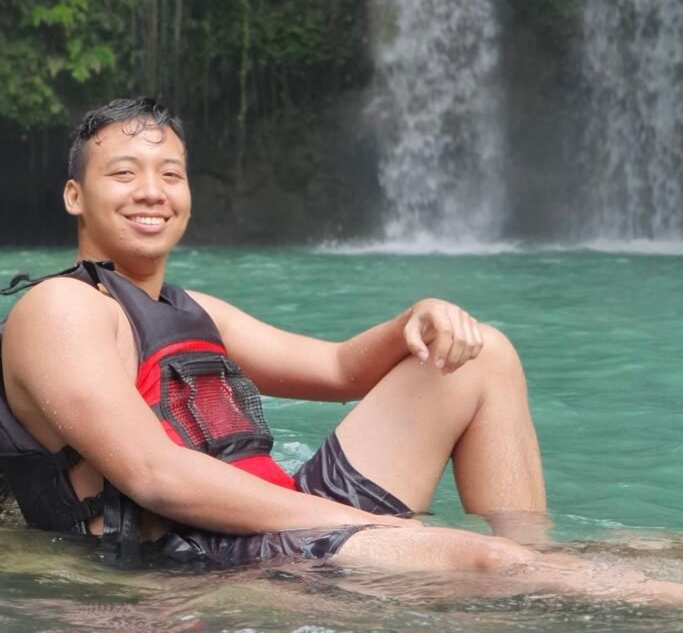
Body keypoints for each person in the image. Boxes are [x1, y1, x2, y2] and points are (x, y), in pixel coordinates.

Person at [1, 97, 682, 603]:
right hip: (199, 556)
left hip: (281, 513)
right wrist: (361, 524)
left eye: (170, 175)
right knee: (486, 567)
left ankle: (534, 552)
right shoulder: (60, 308)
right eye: (124, 173)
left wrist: (413, 318)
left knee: (479, 356)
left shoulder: (191, 309)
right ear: (74, 196)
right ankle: (535, 577)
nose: (151, 192)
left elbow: (335, 369)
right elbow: (155, 477)